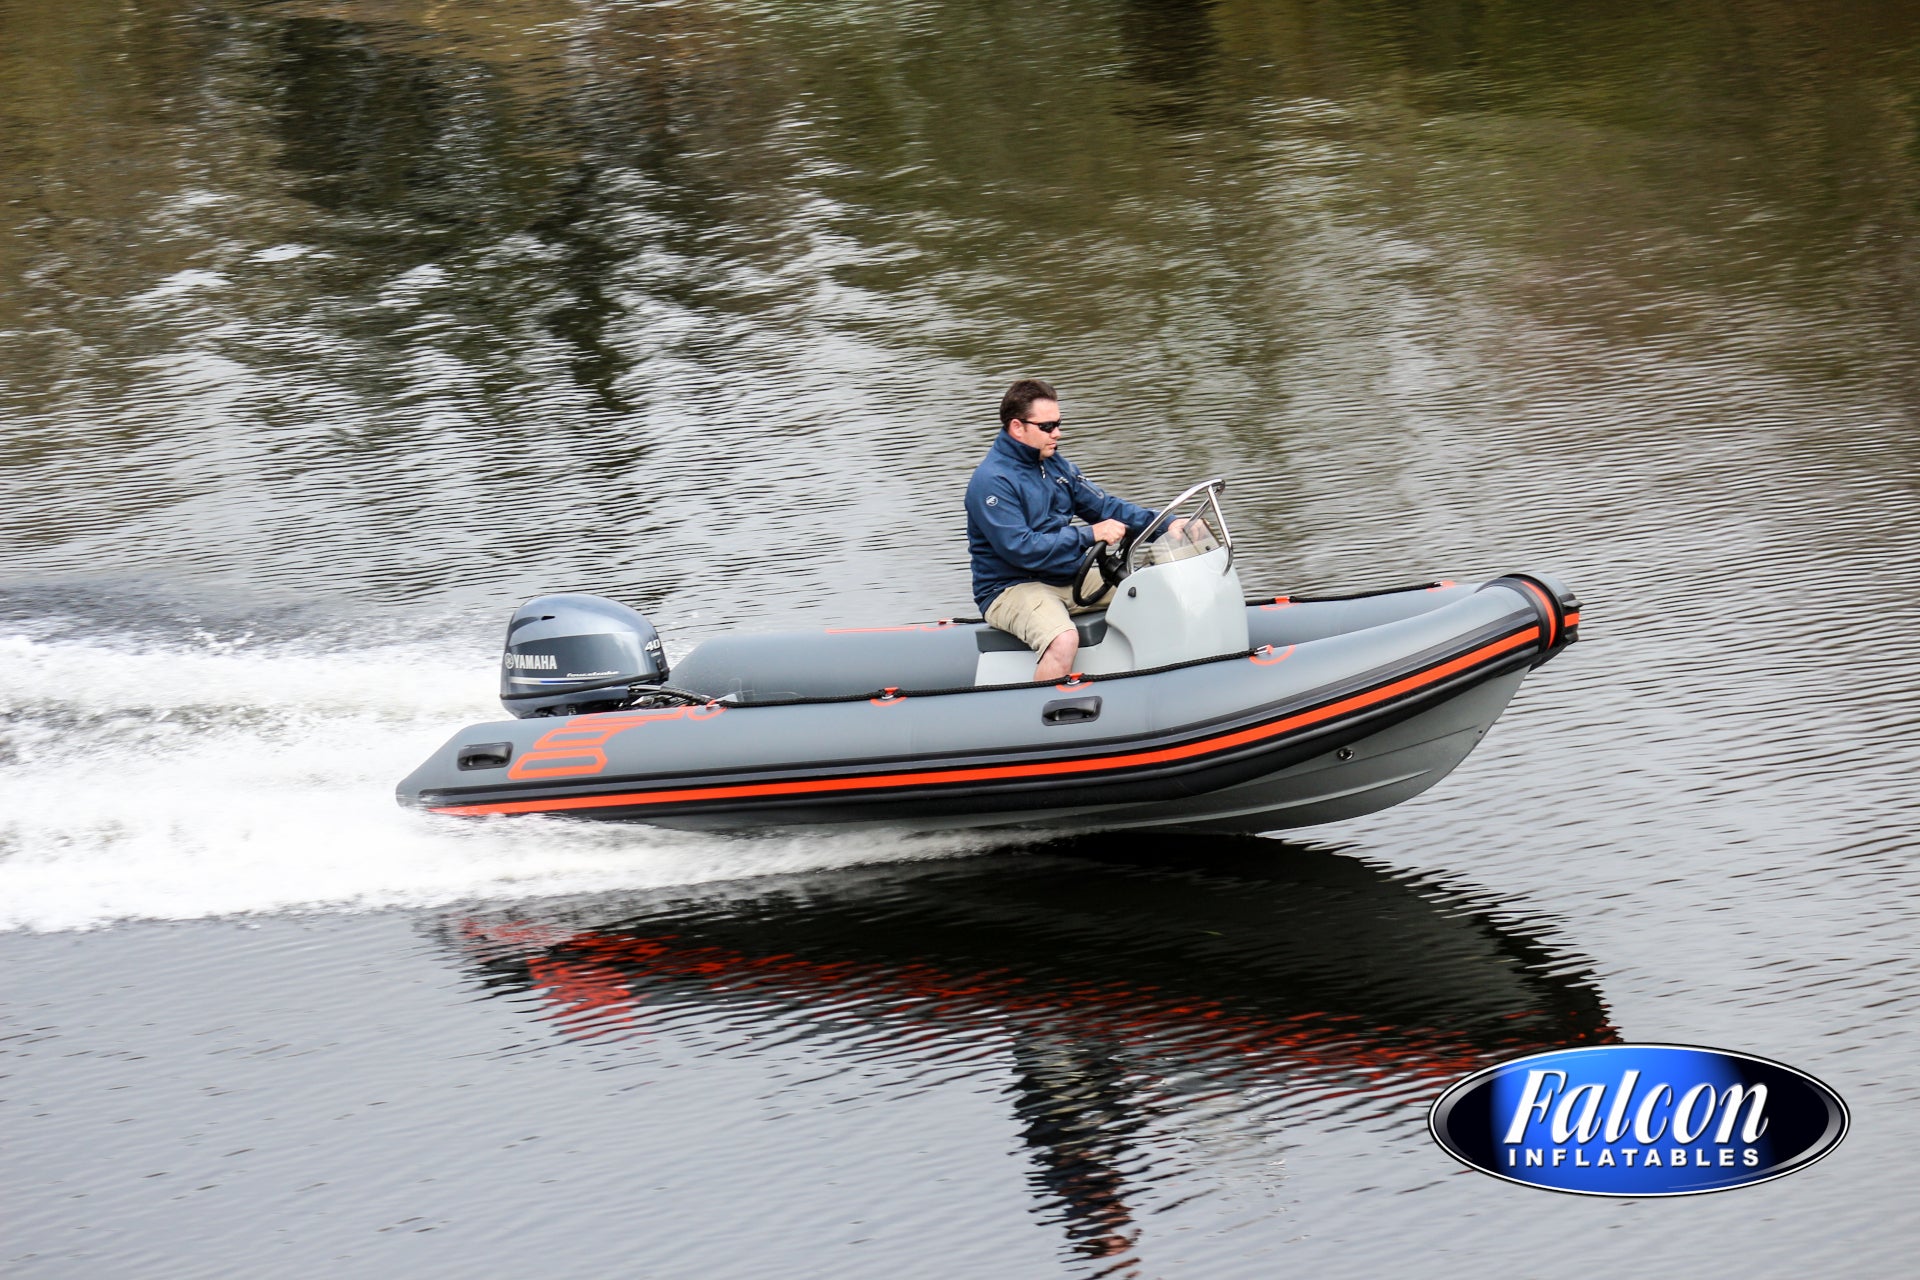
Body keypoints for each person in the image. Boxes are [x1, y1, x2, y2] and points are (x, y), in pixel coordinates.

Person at [965, 379, 1161, 682]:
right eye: (1047, 427)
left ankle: (1154, 679)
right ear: (1018, 427)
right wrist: (1089, 535)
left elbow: (1106, 508)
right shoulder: (992, 482)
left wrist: (1168, 523)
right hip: (1010, 588)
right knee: (1063, 640)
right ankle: (1037, 722)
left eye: (1058, 423)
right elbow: (1022, 549)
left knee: (1154, 593)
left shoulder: (1057, 466)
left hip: (1066, 576)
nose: (1057, 433)